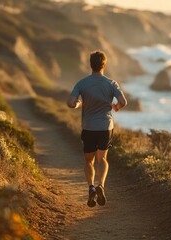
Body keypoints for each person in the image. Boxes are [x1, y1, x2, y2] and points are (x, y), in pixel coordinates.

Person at [67, 50, 127, 207]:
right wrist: (116, 107)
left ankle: (91, 187)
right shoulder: (111, 83)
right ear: (104, 65)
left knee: (89, 161)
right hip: (105, 127)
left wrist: (79, 103)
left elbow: (70, 103)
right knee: (103, 159)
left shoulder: (82, 83)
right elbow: (123, 101)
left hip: (89, 127)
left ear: (90, 65)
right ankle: (101, 185)